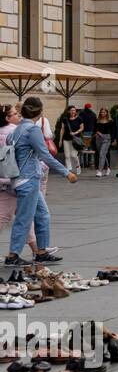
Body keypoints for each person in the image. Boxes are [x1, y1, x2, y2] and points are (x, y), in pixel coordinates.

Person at [5, 97, 76, 267]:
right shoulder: (32, 130)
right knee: (24, 219)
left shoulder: (16, 130)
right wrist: (66, 173)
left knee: (42, 215)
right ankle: (12, 255)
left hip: (21, 179)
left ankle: (42, 252)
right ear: (39, 111)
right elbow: (45, 155)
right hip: (28, 179)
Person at [0, 104, 40, 258]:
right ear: (7, 118)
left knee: (25, 215)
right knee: (7, 216)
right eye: (15, 114)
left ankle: (36, 249)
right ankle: (18, 254)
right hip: (14, 179)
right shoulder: (13, 131)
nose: (19, 116)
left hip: (8, 179)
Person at [55, 105, 84, 174]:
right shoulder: (65, 119)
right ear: (68, 111)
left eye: (74, 110)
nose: (73, 111)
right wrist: (60, 140)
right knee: (67, 155)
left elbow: (82, 128)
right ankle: (69, 169)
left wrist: (75, 132)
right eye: (71, 110)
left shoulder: (79, 119)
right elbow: (62, 129)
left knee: (73, 155)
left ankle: (77, 166)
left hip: (75, 139)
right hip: (66, 139)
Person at [93, 107, 113, 177]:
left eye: (104, 112)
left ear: (107, 113)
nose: (103, 113)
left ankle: (100, 171)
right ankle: (108, 168)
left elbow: (112, 131)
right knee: (102, 154)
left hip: (106, 138)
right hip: (98, 138)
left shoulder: (110, 121)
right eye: (101, 112)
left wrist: (112, 140)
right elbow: (94, 129)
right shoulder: (97, 120)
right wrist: (97, 132)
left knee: (102, 154)